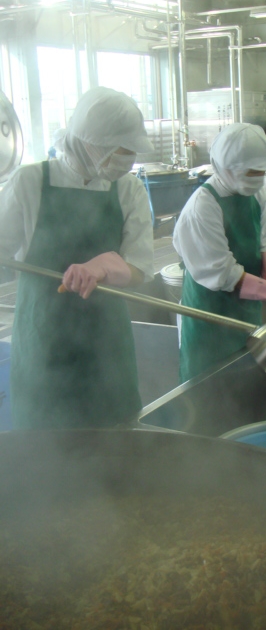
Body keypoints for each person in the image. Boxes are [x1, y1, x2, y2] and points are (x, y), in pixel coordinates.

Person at [0, 86, 154, 429]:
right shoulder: (30, 182)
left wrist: (105, 266)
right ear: (88, 141)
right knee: (45, 449)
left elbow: (141, 267)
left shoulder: (128, 189)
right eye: (119, 149)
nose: (126, 159)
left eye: (130, 151)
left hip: (107, 346)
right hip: (44, 343)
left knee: (117, 444)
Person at [173, 122, 266, 383]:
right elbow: (222, 274)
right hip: (208, 317)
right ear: (224, 167)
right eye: (251, 172)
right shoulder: (202, 207)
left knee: (242, 385)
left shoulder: (256, 194)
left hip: (246, 309)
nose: (258, 178)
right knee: (208, 393)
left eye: (261, 171)